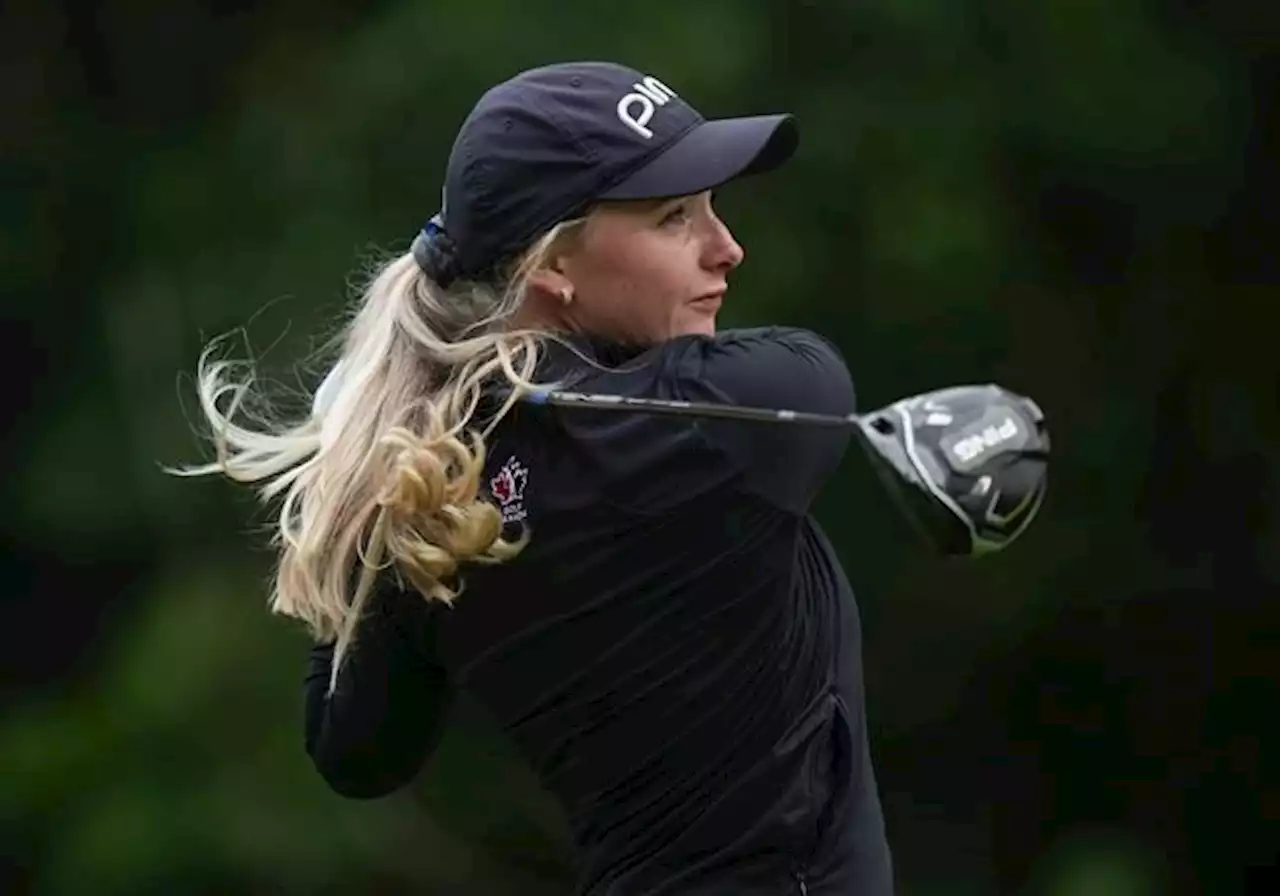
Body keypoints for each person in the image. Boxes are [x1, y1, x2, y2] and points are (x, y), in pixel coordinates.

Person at [173, 60, 894, 895]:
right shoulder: (707, 428)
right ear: (553, 264)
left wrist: (367, 485)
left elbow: (355, 748)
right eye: (673, 218)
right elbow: (812, 375)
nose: (726, 248)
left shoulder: (432, 494)